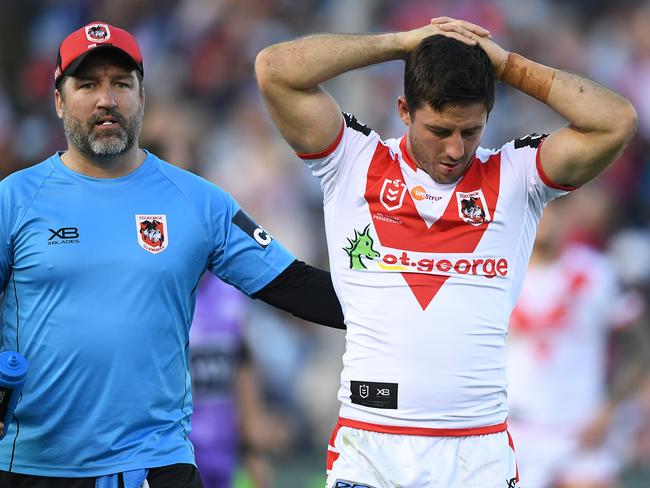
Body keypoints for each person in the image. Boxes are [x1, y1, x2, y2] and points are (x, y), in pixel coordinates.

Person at [255, 15, 638, 488]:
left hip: (478, 455)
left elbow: (615, 120)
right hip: (372, 448)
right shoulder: (352, 161)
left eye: (471, 131)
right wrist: (401, 44)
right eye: (439, 130)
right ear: (404, 109)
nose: (456, 149)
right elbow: (274, 69)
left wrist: (509, 66)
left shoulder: (518, 176)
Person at [0, 21, 344, 488]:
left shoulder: (198, 202)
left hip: (154, 465)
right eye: (88, 85)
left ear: (141, 97)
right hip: (33, 466)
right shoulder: (15, 199)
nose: (107, 99)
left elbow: (295, 286)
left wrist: (416, 294)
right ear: (59, 100)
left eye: (121, 83)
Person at [507, 199, 646, 488]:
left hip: (582, 430)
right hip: (513, 431)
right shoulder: (500, 273)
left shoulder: (599, 271)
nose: (547, 217)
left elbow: (639, 347)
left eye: (557, 207)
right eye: (538, 207)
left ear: (573, 213)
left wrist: (610, 409)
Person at [189, 272, 289, 488]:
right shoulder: (165, 290)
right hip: (179, 451)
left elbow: (242, 365)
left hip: (223, 448)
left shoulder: (230, 288)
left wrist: (255, 449)